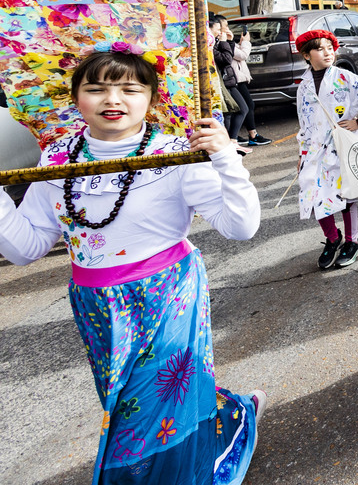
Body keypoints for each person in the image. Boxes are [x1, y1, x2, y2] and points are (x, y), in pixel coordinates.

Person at [0, 44, 264, 484]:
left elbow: (240, 227)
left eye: (129, 88)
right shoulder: (56, 159)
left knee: (147, 414)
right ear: (75, 97)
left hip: (168, 295)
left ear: (152, 98)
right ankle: (224, 427)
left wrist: (223, 158)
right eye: (96, 88)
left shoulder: (177, 153)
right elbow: (26, 248)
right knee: (128, 406)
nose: (113, 100)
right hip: (97, 307)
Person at [295, 29, 358, 270]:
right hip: (314, 151)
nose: (327, 53)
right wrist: (302, 153)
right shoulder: (303, 86)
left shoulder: (345, 78)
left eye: (330, 48)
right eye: (319, 49)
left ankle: (351, 242)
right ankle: (333, 239)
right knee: (314, 196)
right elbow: (303, 122)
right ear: (306, 55)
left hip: (340, 146)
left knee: (346, 196)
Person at [210, 16, 251, 153]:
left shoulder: (218, 41)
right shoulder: (212, 44)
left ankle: (232, 141)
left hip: (229, 80)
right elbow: (227, 58)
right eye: (223, 27)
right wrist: (225, 42)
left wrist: (229, 41)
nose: (226, 29)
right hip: (224, 81)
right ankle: (231, 142)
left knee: (238, 109)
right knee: (235, 110)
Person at [230, 30, 272, 147]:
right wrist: (246, 43)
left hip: (238, 77)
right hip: (234, 78)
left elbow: (236, 53)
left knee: (246, 106)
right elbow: (242, 55)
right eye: (225, 27)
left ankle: (250, 135)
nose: (228, 30)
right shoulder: (222, 42)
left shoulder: (226, 42)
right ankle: (244, 136)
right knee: (244, 106)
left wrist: (240, 43)